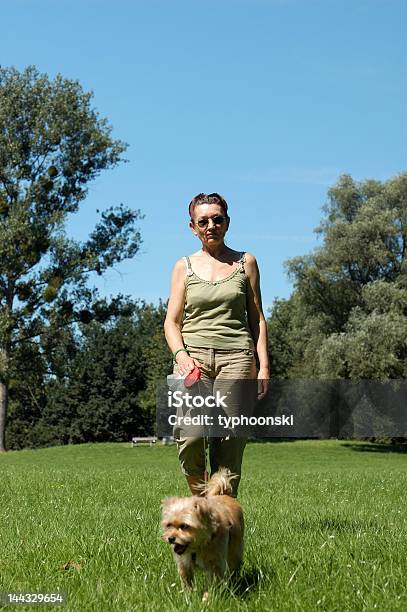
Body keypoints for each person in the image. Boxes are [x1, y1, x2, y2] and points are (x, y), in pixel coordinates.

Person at [164, 193, 269, 497]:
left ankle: (222, 516)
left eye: (217, 219)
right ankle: (200, 502)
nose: (211, 225)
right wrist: (181, 356)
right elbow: (171, 323)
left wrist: (264, 366)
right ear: (192, 227)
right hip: (192, 361)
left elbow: (258, 318)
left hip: (237, 359)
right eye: (203, 221)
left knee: (230, 443)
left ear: (227, 222)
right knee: (191, 437)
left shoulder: (245, 262)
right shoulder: (183, 267)